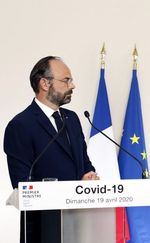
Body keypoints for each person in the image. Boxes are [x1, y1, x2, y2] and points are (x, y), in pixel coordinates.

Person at [4, 56, 98, 243]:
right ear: (45, 84)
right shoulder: (20, 125)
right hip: (43, 227)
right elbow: (22, 183)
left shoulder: (71, 119)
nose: (73, 85)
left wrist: (88, 174)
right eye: (66, 80)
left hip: (79, 221)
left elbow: (84, 163)